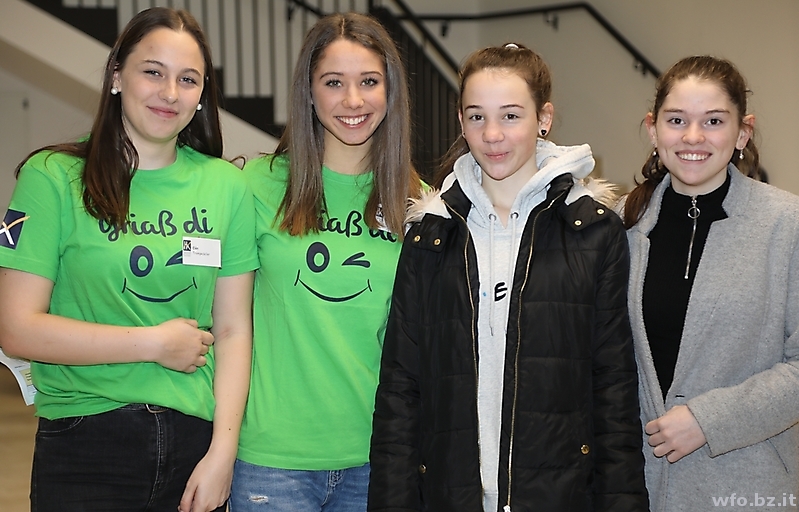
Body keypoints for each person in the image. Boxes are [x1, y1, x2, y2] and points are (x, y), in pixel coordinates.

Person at [369, 43, 648, 512]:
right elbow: (400, 389)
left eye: (511, 116)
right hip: (449, 496)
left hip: (559, 497)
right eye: (477, 116)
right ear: (461, 122)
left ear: (544, 119)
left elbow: (614, 388)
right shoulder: (429, 234)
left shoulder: (594, 232)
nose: (493, 134)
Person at [0, 7, 257, 512]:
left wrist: (223, 454)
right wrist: (153, 344)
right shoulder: (52, 177)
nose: (170, 93)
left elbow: (232, 330)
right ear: (116, 76)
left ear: (201, 94)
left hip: (194, 442)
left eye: (188, 79)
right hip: (84, 441)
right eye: (153, 72)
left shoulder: (228, 186)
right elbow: (16, 327)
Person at [230, 12, 422, 512]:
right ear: (308, 92)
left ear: (391, 91)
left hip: (377, 457)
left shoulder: (418, 203)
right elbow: (225, 323)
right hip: (272, 459)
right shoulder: (254, 186)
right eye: (333, 82)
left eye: (369, 82)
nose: (353, 100)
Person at [621, 55, 799, 511]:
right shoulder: (619, 225)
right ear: (653, 129)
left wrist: (709, 419)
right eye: (677, 120)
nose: (693, 137)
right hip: (637, 486)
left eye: (714, 121)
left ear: (742, 133)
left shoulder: (787, 224)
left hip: (748, 487)